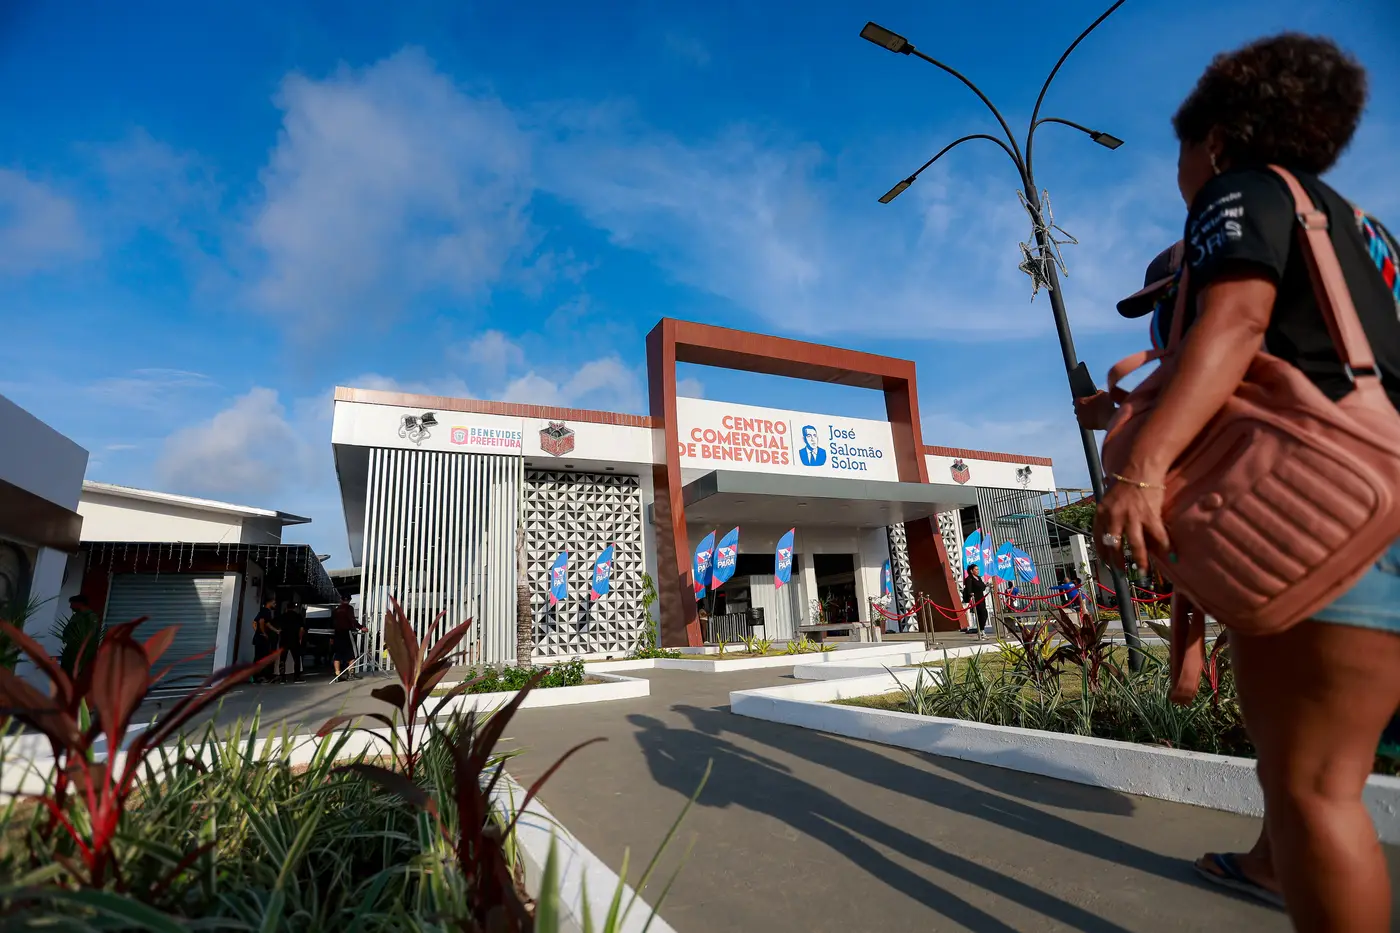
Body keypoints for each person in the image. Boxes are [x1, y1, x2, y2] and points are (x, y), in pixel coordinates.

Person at [1094, 34, 1400, 931]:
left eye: (1183, 153)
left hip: (1335, 519)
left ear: (1218, 141)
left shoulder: (1240, 191)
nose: (1181, 175)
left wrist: (1141, 469)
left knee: (1315, 788)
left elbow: (1233, 324)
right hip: (1381, 488)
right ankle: (1273, 869)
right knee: (1322, 776)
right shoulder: (1363, 229)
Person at [331, 595, 364, 680]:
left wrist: (331, 637)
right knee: (352, 654)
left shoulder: (335, 610)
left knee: (337, 655)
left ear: (341, 600)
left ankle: (337, 675)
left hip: (337, 634)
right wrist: (361, 627)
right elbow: (352, 620)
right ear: (350, 600)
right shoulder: (349, 608)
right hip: (347, 633)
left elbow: (331, 624)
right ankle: (351, 674)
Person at [276, 601, 305, 684]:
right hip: (294, 639)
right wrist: (300, 639)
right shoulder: (298, 616)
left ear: (287, 608)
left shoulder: (282, 616)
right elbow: (301, 629)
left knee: (282, 659)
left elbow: (279, 629)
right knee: (296, 659)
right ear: (294, 608)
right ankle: (297, 677)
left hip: (284, 640)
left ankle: (282, 678)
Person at [251, 595, 277, 683]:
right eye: (274, 603)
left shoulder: (263, 611)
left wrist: (276, 631)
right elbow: (261, 622)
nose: (275, 604)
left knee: (259, 657)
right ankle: (259, 676)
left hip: (259, 637)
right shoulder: (266, 611)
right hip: (261, 638)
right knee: (262, 657)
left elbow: (255, 623)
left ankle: (256, 677)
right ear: (269, 602)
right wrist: (263, 633)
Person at [960, 565, 989, 637]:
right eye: (976, 569)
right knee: (980, 614)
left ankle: (981, 629)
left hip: (981, 598)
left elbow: (982, 587)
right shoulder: (969, 579)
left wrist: (986, 585)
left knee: (984, 614)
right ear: (971, 571)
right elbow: (969, 589)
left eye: (978, 569)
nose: (977, 571)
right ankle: (981, 630)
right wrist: (971, 595)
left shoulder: (979, 578)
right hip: (975, 599)